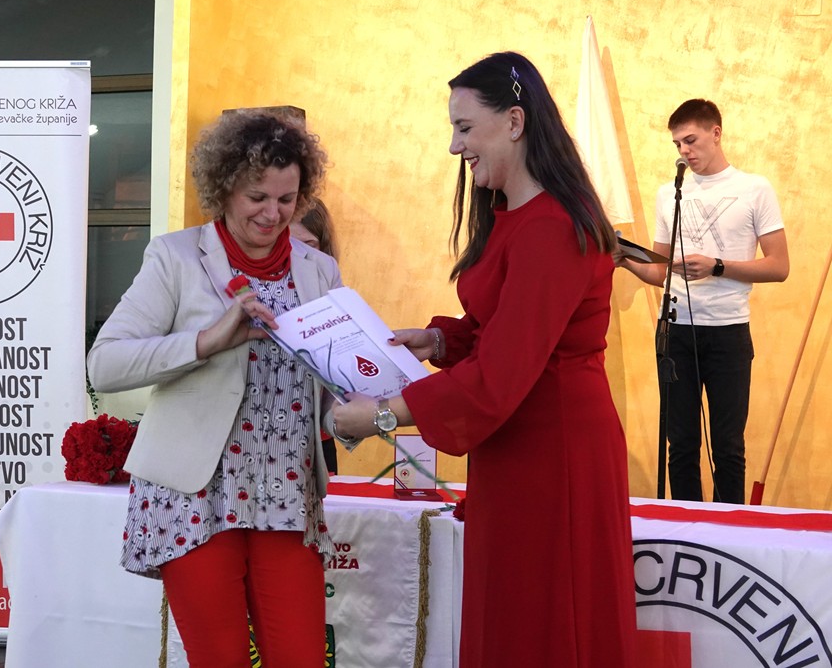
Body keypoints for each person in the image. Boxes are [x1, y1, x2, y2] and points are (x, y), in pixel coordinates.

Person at [332, 51, 636, 667]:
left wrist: (383, 416)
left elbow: (503, 373)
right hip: (518, 443)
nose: (454, 146)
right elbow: (508, 333)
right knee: (515, 612)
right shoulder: (514, 217)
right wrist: (445, 342)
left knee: (544, 618)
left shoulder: (550, 227)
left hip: (553, 453)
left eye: (465, 127)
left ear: (515, 122)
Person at [87, 109, 339, 667]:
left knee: (301, 659)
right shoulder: (175, 257)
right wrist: (206, 341)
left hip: (287, 496)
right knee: (219, 659)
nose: (273, 213)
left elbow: (327, 384)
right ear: (223, 188)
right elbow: (105, 364)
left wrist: (364, 396)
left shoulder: (319, 270)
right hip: (193, 496)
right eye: (257, 197)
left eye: (287, 198)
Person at [615, 99, 789, 503]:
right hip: (676, 333)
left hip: (728, 333)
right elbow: (660, 272)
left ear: (716, 133)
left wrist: (718, 266)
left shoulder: (754, 189)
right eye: (677, 144)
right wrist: (624, 259)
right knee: (680, 445)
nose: (684, 151)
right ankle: (687, 526)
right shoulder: (670, 194)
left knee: (728, 447)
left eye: (690, 140)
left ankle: (728, 529)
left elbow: (779, 266)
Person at [290, 198, 340, 474]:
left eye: (308, 246)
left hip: (317, 438)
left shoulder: (333, 295)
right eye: (289, 244)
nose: (299, 256)